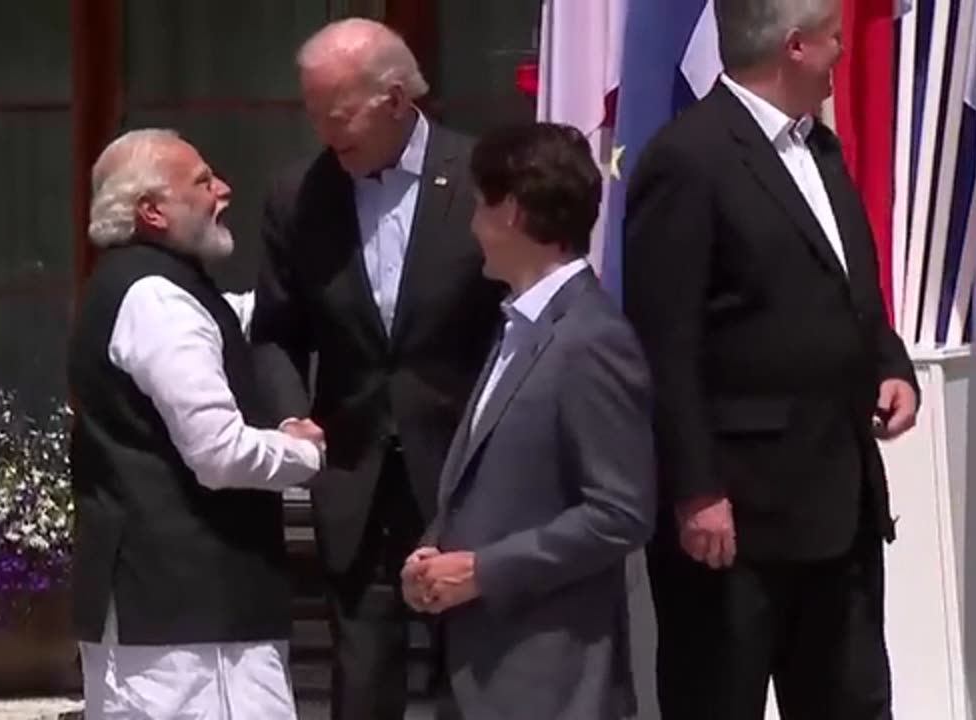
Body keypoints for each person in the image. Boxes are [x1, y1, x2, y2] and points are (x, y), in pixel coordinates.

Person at [621, 1, 920, 717]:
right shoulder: (688, 158)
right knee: (720, 697)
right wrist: (696, 490)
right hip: (735, 513)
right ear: (793, 47)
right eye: (833, 41)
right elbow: (665, 339)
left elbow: (852, 287)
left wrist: (889, 363)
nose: (841, 55)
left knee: (851, 699)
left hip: (837, 499)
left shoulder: (820, 149)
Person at [251, 18, 504, 719]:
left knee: (472, 677)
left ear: (395, 99)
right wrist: (289, 414)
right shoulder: (298, 197)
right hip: (355, 474)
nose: (325, 135)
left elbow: (520, 323)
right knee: (361, 683)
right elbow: (272, 332)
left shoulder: (483, 178)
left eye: (337, 115)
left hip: (464, 469)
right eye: (311, 114)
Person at [68, 128, 326, 719]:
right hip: (185, 628)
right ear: (152, 210)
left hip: (175, 616)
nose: (224, 190)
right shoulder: (157, 300)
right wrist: (306, 453)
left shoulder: (155, 288)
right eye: (203, 181)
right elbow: (220, 453)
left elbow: (227, 325)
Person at [401, 122, 657, 720]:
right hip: (478, 672)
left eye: (477, 208)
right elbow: (491, 483)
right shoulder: (519, 328)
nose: (471, 228)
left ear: (510, 212)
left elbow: (620, 513)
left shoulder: (591, 340)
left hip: (550, 682)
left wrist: (483, 571)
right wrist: (432, 552)